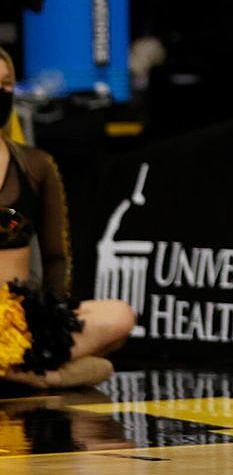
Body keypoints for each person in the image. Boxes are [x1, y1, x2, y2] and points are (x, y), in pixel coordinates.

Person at [0, 48, 136, 389]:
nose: (1, 93)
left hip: (22, 322)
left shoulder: (35, 165)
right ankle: (45, 375)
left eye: (6, 84)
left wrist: (56, 316)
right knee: (97, 368)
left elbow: (56, 254)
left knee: (119, 316)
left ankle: (24, 371)